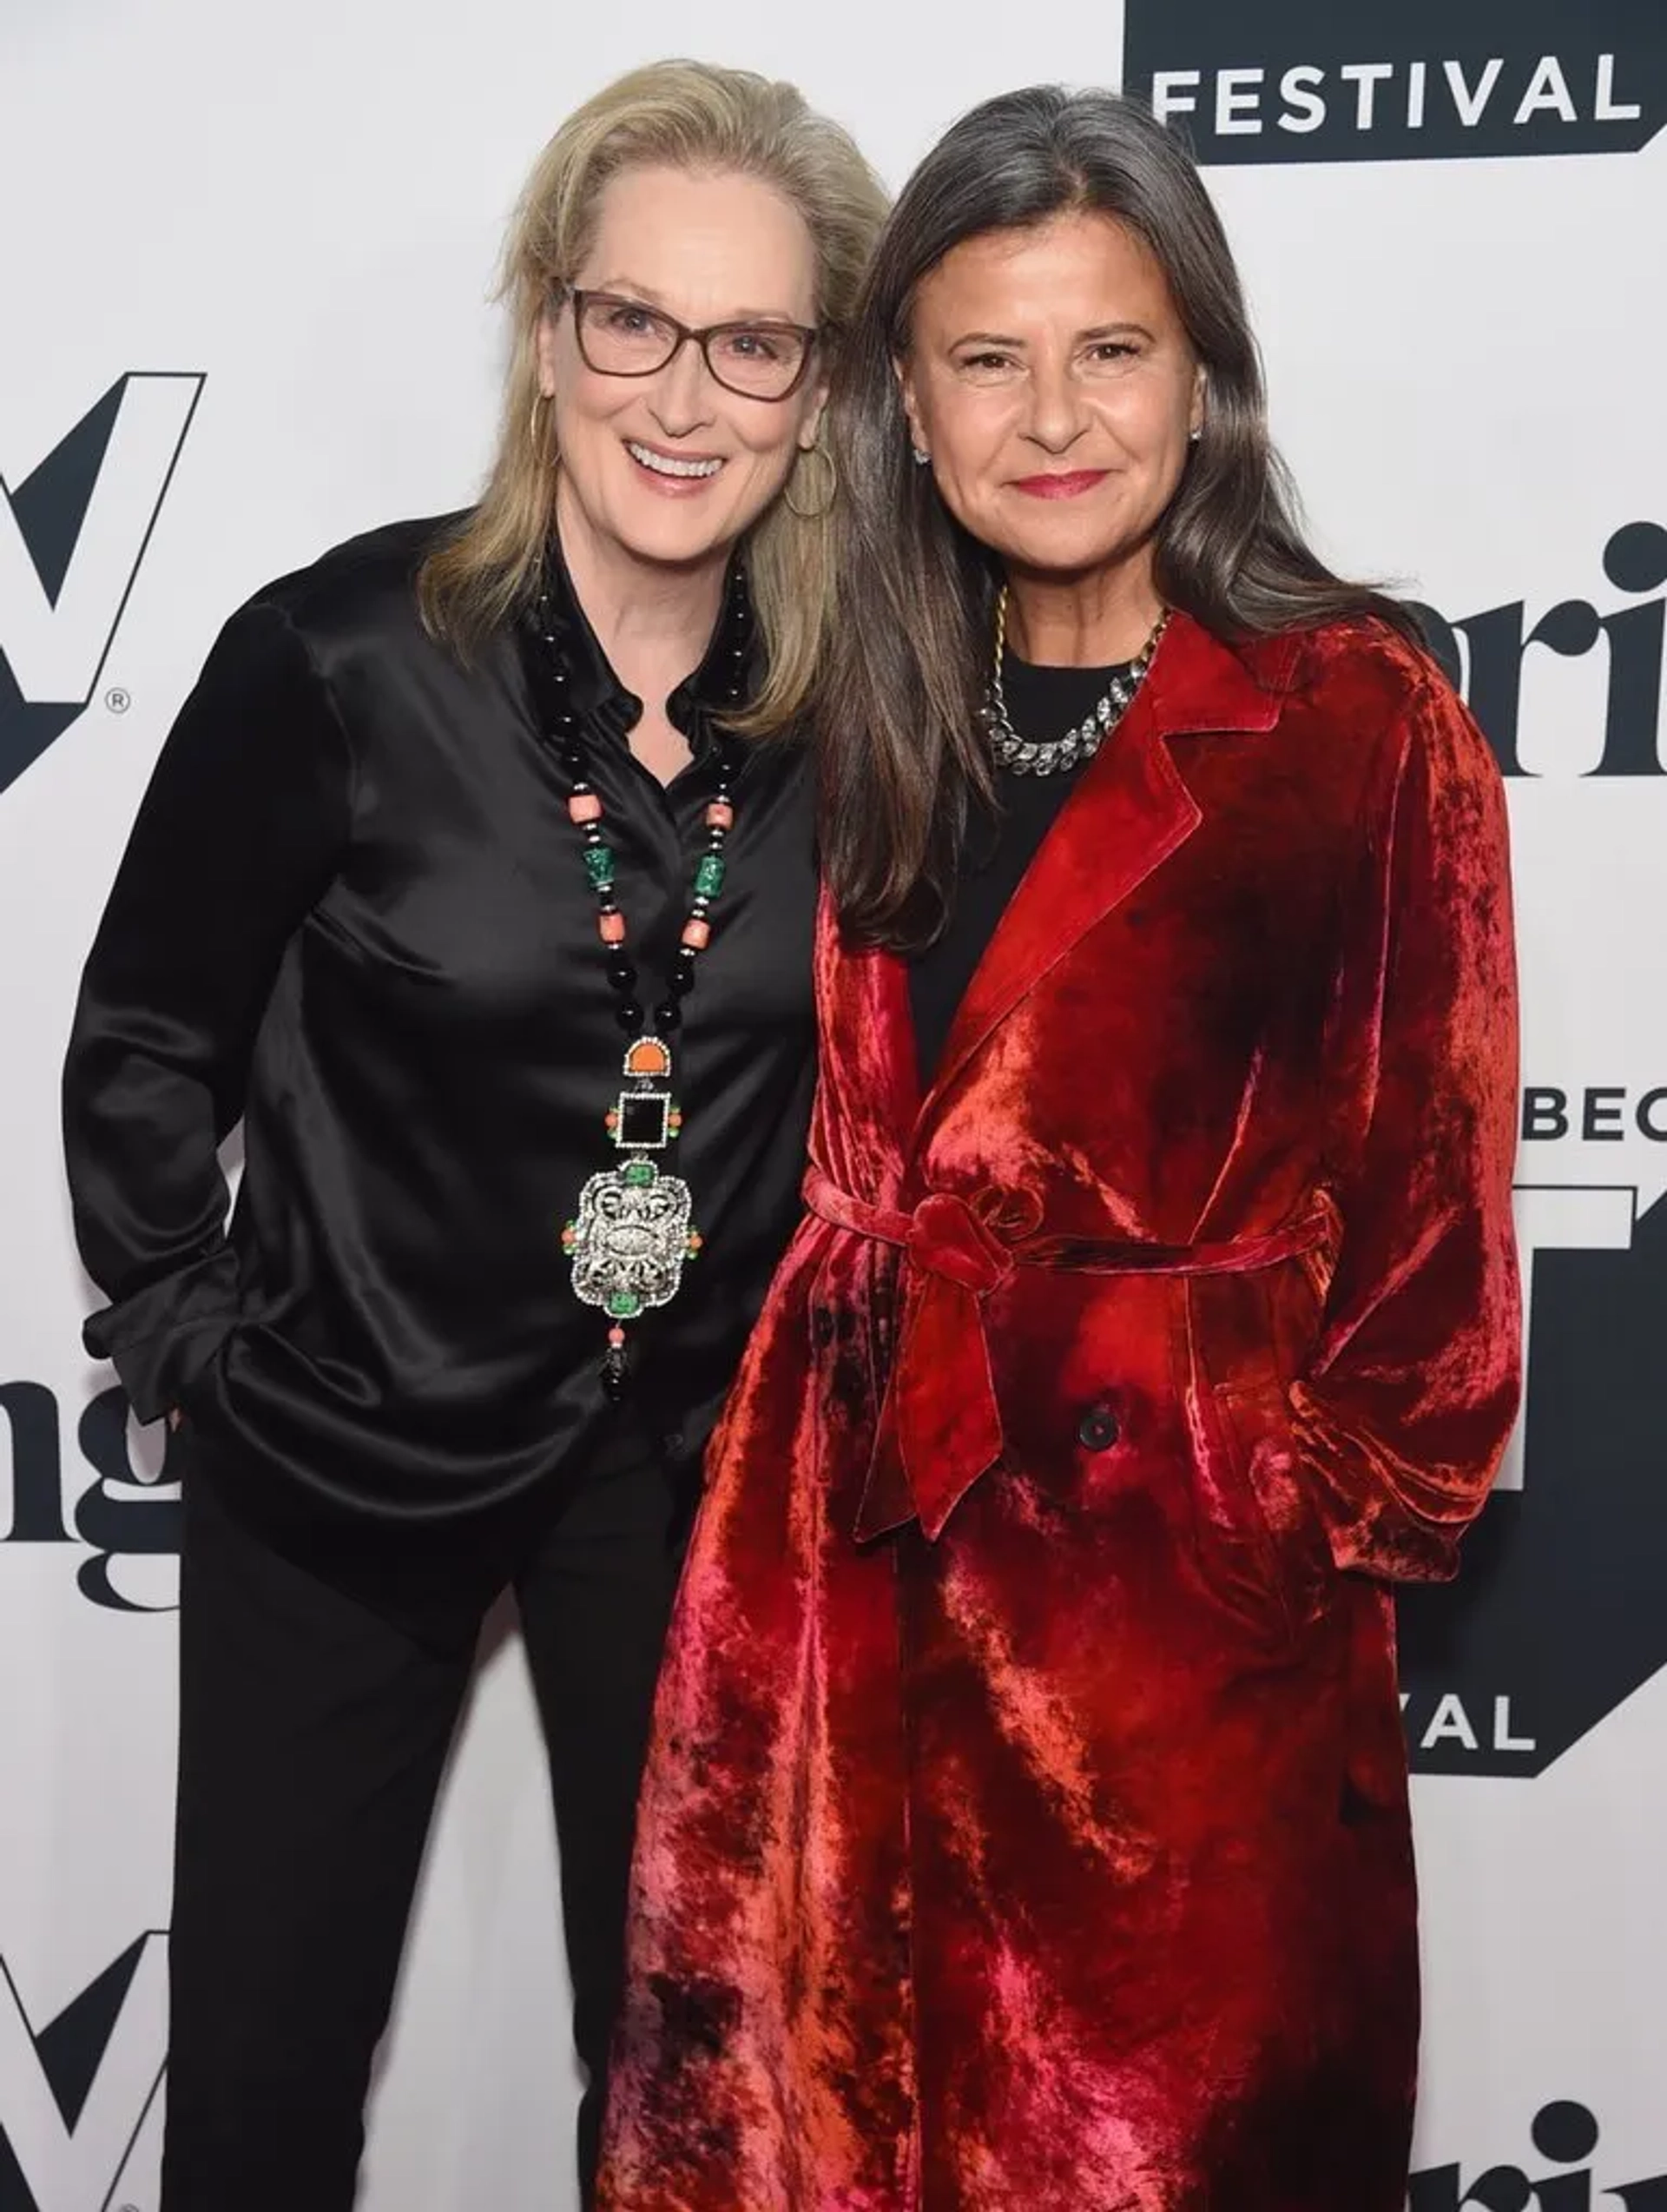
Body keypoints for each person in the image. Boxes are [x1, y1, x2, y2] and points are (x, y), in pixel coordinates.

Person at [597, 84, 1521, 2212]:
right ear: (902, 408)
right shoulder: (858, 703)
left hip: (1178, 1641)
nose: (1053, 417)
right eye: (986, 360)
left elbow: (1437, 1249)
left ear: (1202, 377)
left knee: (1155, 2152)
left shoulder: (1358, 716)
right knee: (804, 2133)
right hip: (833, 1574)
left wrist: (1270, 1520)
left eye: (1110, 349)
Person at [61, 59, 886, 2212]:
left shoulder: (845, 712)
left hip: (682, 1474)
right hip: (344, 1448)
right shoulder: (337, 655)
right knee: (258, 2075)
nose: (682, 394)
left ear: (817, 393)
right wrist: (191, 1336)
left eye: (754, 342)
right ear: (544, 331)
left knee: (695, 2081)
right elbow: (149, 1033)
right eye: (632, 320)